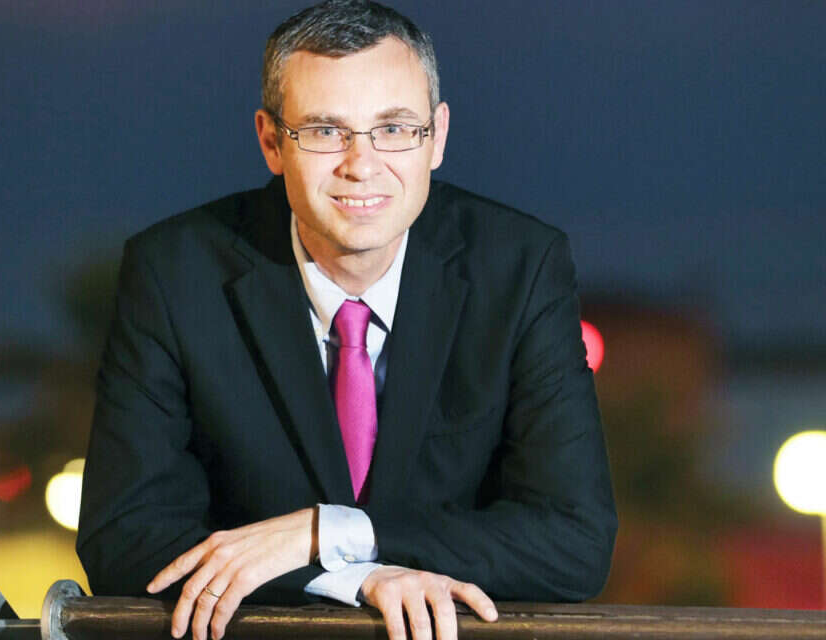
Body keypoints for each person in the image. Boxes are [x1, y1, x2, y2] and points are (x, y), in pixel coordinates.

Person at [76, 2, 617, 640]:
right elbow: (122, 537)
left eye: (394, 128)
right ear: (271, 142)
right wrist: (351, 578)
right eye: (325, 130)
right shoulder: (174, 274)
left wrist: (328, 531)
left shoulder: (521, 269)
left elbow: (575, 540)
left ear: (438, 137)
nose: (361, 163)